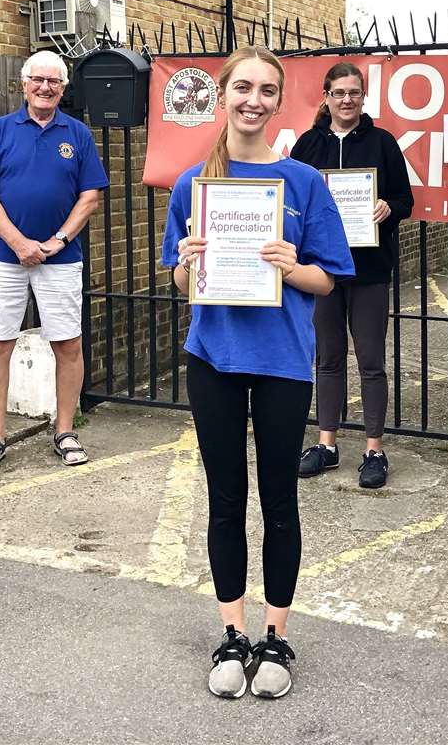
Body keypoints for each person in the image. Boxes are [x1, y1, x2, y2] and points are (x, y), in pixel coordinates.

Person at [162, 46, 354, 700]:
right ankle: (231, 634)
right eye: (242, 87)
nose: (254, 100)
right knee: (224, 502)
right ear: (224, 95)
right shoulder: (193, 185)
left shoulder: (302, 183)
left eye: (267, 90)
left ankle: (275, 637)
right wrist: (188, 258)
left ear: (279, 101)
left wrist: (287, 264)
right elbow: (183, 282)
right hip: (213, 358)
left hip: (281, 363)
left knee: (279, 503)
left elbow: (326, 280)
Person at [0, 50, 109, 472]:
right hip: (3, 257)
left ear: (64, 89)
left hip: (61, 259)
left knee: (68, 344)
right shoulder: (0, 130)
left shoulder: (78, 134)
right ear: (24, 83)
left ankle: (65, 431)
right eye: (38, 80)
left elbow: (90, 197)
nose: (45, 88)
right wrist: (20, 243)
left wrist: (57, 240)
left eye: (54, 82)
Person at [290, 61, 413, 488]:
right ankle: (327, 445)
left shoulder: (382, 142)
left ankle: (374, 449)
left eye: (354, 93)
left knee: (371, 360)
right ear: (325, 97)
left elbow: (405, 199)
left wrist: (388, 208)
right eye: (339, 93)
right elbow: (292, 203)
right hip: (322, 269)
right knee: (327, 357)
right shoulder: (307, 145)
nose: (347, 100)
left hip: (369, 268)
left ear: (364, 98)